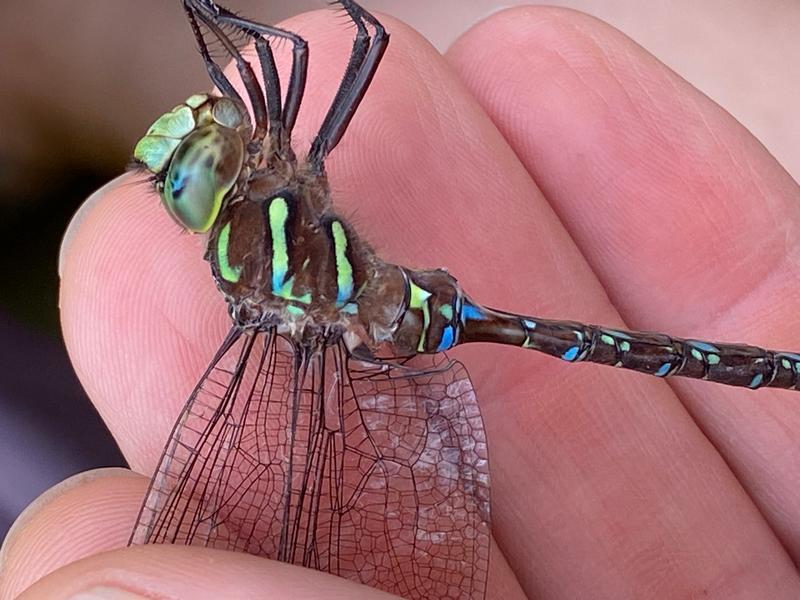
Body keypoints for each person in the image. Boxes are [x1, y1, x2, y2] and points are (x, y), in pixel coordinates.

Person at [2, 6, 799, 599]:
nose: (206, 119)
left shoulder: (267, 174)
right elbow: (304, 51)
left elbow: (309, 48)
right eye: (195, 160)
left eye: (202, 138)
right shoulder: (277, 178)